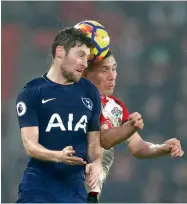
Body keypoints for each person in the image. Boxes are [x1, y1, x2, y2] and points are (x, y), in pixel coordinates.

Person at [16, 27, 103, 203]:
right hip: (38, 188)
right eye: (80, 55)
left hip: (75, 190)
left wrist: (96, 162)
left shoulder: (90, 92)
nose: (85, 64)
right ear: (60, 52)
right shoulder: (32, 92)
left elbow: (94, 143)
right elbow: (30, 145)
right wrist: (58, 156)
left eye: (86, 58)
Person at [84, 50, 184, 203]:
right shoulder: (74, 101)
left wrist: (163, 148)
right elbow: (104, 139)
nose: (112, 76)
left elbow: (138, 146)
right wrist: (129, 128)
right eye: (104, 70)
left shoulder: (116, 107)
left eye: (114, 69)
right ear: (86, 73)